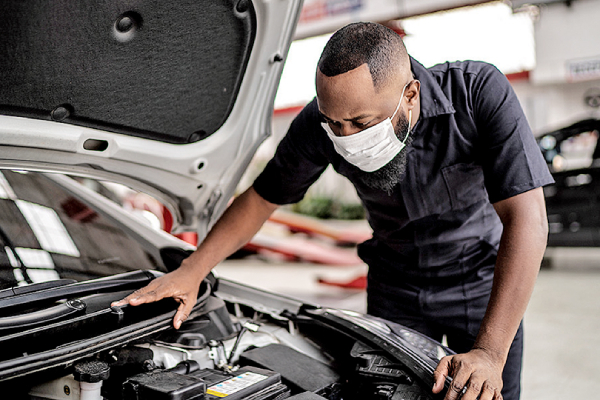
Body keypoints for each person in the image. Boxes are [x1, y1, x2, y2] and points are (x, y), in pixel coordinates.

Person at [113, 22, 553, 400]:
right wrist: (192, 270)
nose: (345, 136)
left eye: (361, 124)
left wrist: (491, 352)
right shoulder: (320, 124)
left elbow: (527, 217)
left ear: (411, 96)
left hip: (481, 285)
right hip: (394, 289)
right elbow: (261, 198)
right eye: (335, 124)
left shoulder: (478, 94)